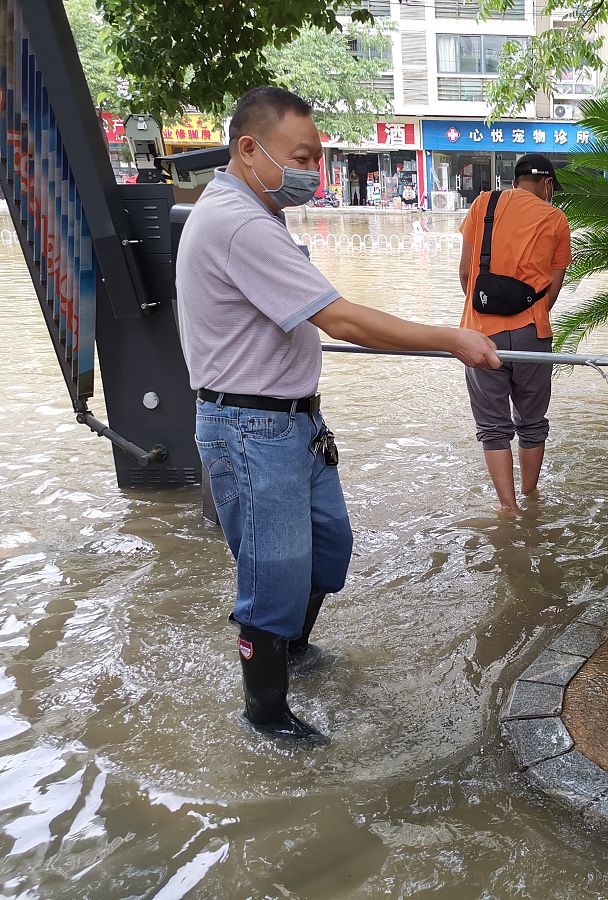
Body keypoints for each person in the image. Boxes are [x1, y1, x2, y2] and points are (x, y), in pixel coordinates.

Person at [176, 86, 500, 743]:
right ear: (248, 148)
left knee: (328, 552)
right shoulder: (236, 222)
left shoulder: (252, 212)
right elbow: (343, 318)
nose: (312, 170)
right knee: (272, 578)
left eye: (317, 156)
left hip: (293, 423)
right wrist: (451, 337)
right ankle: (266, 716)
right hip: (251, 429)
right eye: (301, 155)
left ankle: (291, 652)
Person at [457, 153, 572, 511]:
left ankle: (508, 508)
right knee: (532, 421)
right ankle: (530, 496)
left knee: (493, 428)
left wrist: (490, 313)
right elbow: (551, 292)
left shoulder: (482, 204)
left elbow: (465, 275)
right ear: (548, 185)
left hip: (479, 334)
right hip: (532, 334)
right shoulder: (556, 219)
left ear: (516, 179)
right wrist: (524, 315)